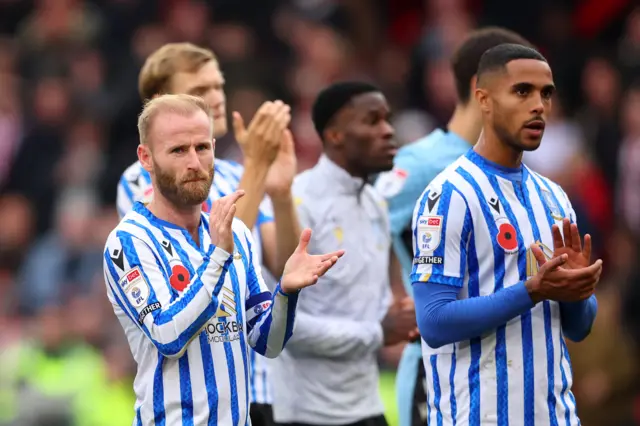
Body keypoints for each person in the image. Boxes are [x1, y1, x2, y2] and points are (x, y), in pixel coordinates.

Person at [103, 94, 345, 425]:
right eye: (178, 150)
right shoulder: (128, 241)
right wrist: (217, 257)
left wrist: (287, 293)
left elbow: (267, 342)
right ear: (146, 158)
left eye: (202, 147)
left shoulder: (237, 233)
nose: (194, 162)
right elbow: (168, 336)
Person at [410, 43, 602, 425]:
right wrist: (532, 290)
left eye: (546, 94)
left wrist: (577, 293)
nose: (539, 106)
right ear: (483, 99)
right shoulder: (449, 195)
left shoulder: (554, 197)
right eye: (522, 91)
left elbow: (578, 329)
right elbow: (433, 322)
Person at [116, 43, 299, 424]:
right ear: (160, 102)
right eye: (200, 91)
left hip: (253, 385)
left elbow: (275, 259)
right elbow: (221, 242)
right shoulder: (138, 184)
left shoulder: (232, 173)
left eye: (218, 85)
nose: (215, 98)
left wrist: (280, 193)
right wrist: (257, 169)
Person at [373, 27, 533, 426]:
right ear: (482, 88)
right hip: (438, 373)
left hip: (509, 372)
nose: (535, 106)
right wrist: (380, 314)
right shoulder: (420, 166)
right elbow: (349, 235)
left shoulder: (520, 172)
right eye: (521, 90)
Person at [271, 82, 418, 426]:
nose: (388, 131)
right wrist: (379, 332)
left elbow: (371, 306)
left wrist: (403, 316)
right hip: (308, 415)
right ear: (335, 135)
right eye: (372, 121)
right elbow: (279, 328)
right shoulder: (293, 204)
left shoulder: (375, 203)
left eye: (388, 120)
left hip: (368, 407)